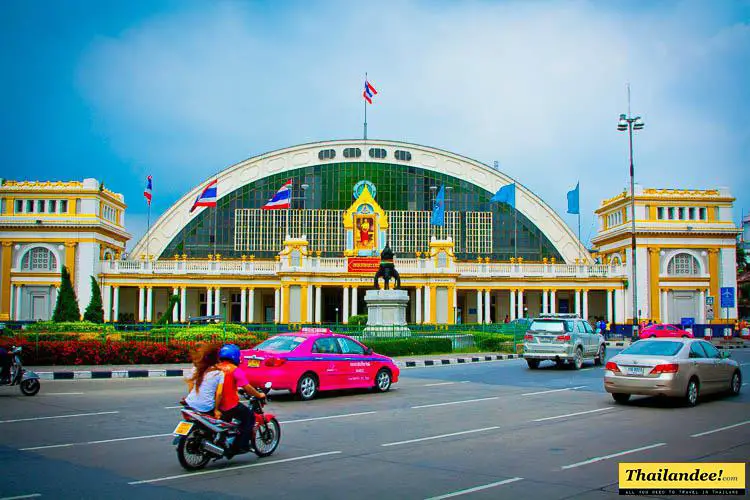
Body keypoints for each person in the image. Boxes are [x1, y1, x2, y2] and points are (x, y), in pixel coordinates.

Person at [216, 344, 266, 456]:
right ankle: (240, 445)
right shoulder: (235, 370)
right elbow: (247, 387)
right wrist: (259, 395)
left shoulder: (215, 367)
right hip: (229, 405)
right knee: (249, 417)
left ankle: (224, 439)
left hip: (215, 404)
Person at [184, 343, 224, 418]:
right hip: (206, 408)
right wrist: (216, 410)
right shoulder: (219, 373)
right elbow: (219, 394)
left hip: (190, 404)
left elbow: (190, 389)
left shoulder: (195, 370)